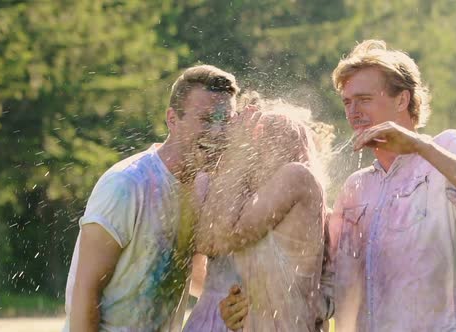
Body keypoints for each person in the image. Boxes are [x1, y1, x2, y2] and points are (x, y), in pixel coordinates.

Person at [327, 39, 456, 331]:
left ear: (402, 100)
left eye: (364, 99)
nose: (353, 111)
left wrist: (420, 146)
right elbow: (331, 286)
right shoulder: (355, 187)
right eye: (347, 102)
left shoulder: (447, 150)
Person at [62, 65, 239, 332]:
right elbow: (84, 292)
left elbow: (193, 272)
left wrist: (234, 298)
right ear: (172, 119)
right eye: (205, 120)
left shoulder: (204, 189)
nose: (218, 133)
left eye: (225, 121)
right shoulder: (127, 184)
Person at [186, 97, 334, 332]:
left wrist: (288, 306)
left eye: (268, 140)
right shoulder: (249, 197)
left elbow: (222, 237)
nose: (260, 149)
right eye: (258, 140)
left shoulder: (298, 179)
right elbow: (207, 242)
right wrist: (236, 305)